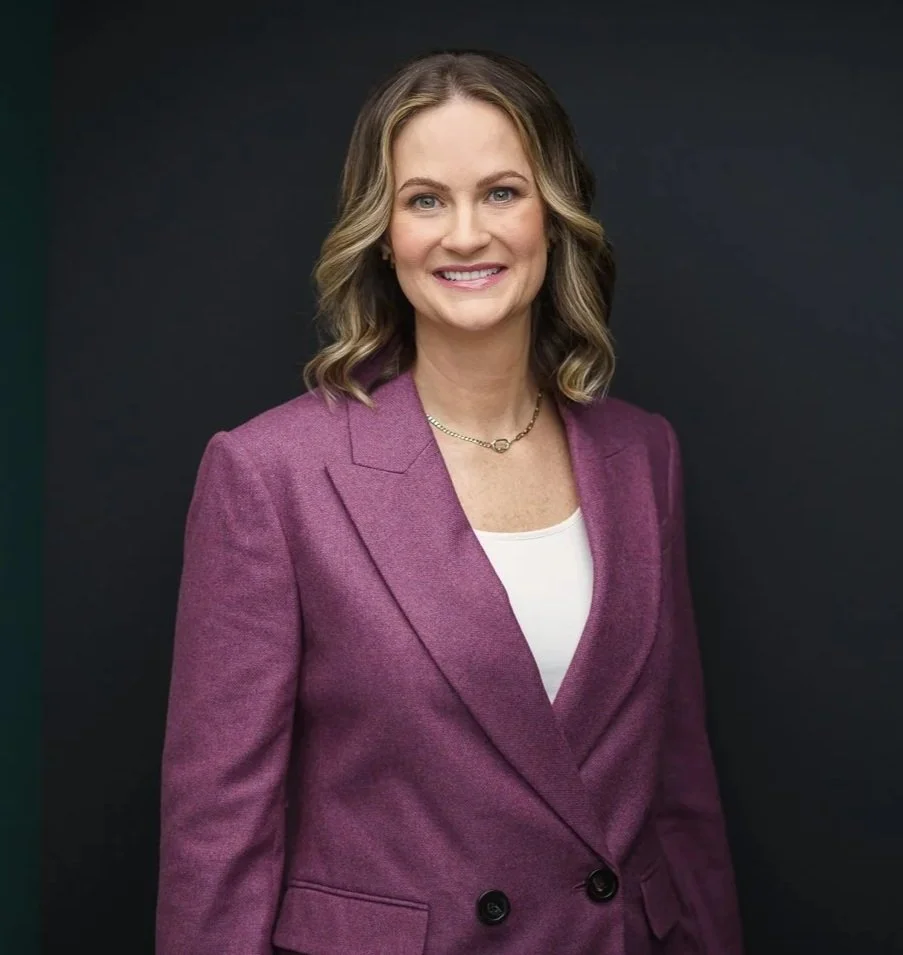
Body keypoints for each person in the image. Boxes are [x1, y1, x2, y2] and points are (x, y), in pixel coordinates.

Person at [155, 48, 744, 955]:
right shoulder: (272, 472)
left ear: (553, 213)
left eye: (502, 191)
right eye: (425, 199)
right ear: (381, 233)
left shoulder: (642, 453)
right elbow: (218, 834)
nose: (466, 234)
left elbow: (679, 792)